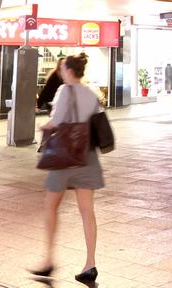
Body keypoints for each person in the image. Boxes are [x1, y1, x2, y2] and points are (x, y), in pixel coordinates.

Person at [31, 53, 102, 285]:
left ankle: (48, 260)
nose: (61, 73)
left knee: (51, 206)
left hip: (64, 155)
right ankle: (90, 264)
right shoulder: (92, 93)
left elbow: (57, 121)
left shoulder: (64, 91)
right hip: (87, 156)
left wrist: (44, 125)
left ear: (69, 71)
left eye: (62, 70)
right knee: (87, 211)